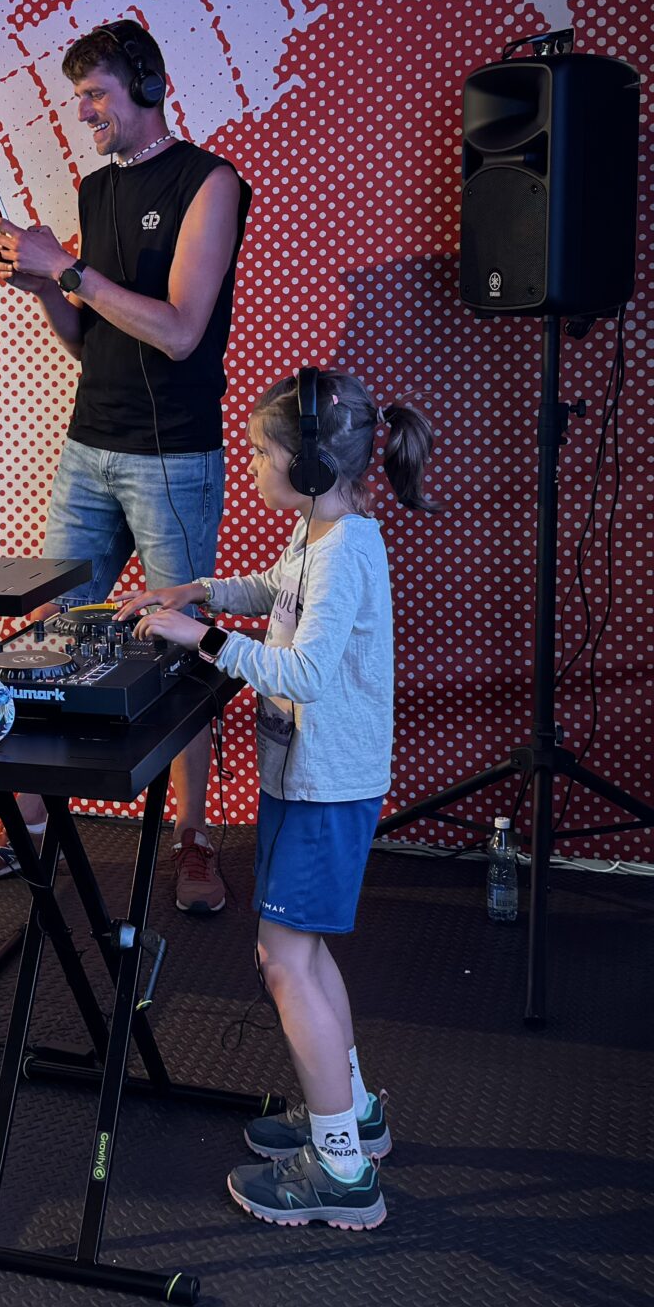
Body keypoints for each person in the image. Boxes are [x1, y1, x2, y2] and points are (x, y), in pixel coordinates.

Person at [121, 370, 438, 1229]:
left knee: (284, 962)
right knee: (304, 954)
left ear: (310, 464)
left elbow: (303, 671)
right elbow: (275, 590)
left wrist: (203, 638)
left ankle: (341, 1172)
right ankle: (353, 1114)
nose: (252, 464)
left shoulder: (345, 550)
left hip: (326, 787)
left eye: (262, 452)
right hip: (308, 778)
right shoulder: (321, 531)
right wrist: (200, 593)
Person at [0, 19, 249, 914]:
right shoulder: (96, 191)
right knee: (47, 634)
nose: (84, 111)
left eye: (96, 94)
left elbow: (181, 331)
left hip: (174, 459)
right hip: (89, 449)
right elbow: (92, 342)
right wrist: (45, 285)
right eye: (79, 96)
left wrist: (69, 268)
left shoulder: (210, 182)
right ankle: (28, 824)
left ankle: (195, 840)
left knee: (182, 646)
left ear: (149, 85)